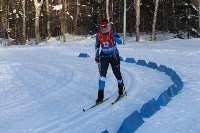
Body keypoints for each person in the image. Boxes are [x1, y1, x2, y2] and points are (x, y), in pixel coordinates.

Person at [95, 18, 125, 104]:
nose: (103, 28)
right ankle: (100, 96)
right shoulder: (99, 35)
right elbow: (97, 46)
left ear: (108, 26)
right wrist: (97, 56)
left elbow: (120, 42)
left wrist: (114, 38)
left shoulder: (113, 33)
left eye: (104, 26)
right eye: (101, 27)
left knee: (117, 74)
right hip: (104, 56)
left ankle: (120, 88)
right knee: (102, 76)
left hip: (114, 56)